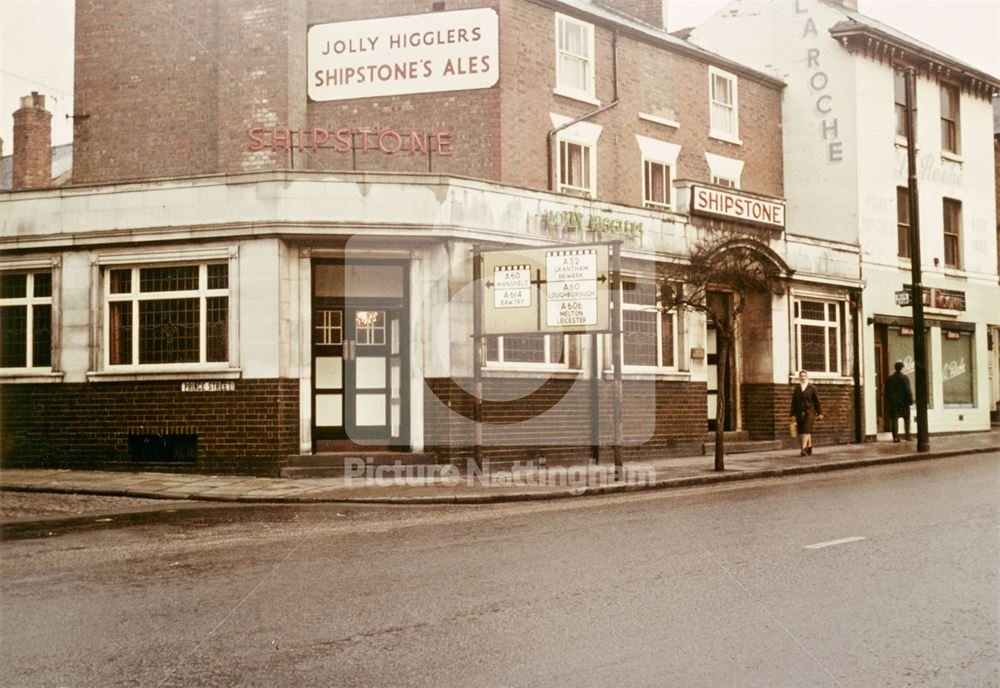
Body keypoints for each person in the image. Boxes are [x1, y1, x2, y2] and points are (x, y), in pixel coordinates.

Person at [789, 370, 823, 456]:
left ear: (807, 377)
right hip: (800, 412)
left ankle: (803, 448)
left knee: (806, 429)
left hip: (810, 412)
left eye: (804, 376)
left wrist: (820, 413)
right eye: (801, 376)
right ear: (799, 377)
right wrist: (792, 414)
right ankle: (809, 447)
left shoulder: (812, 388)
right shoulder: (797, 388)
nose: (803, 377)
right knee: (805, 430)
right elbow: (794, 402)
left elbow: (817, 401)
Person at [884, 361, 913, 442]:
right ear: (902, 368)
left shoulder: (889, 379)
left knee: (894, 419)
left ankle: (895, 437)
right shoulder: (904, 378)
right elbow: (908, 390)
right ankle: (908, 436)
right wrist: (910, 400)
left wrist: (888, 402)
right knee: (907, 419)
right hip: (904, 403)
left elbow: (886, 391)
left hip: (893, 403)